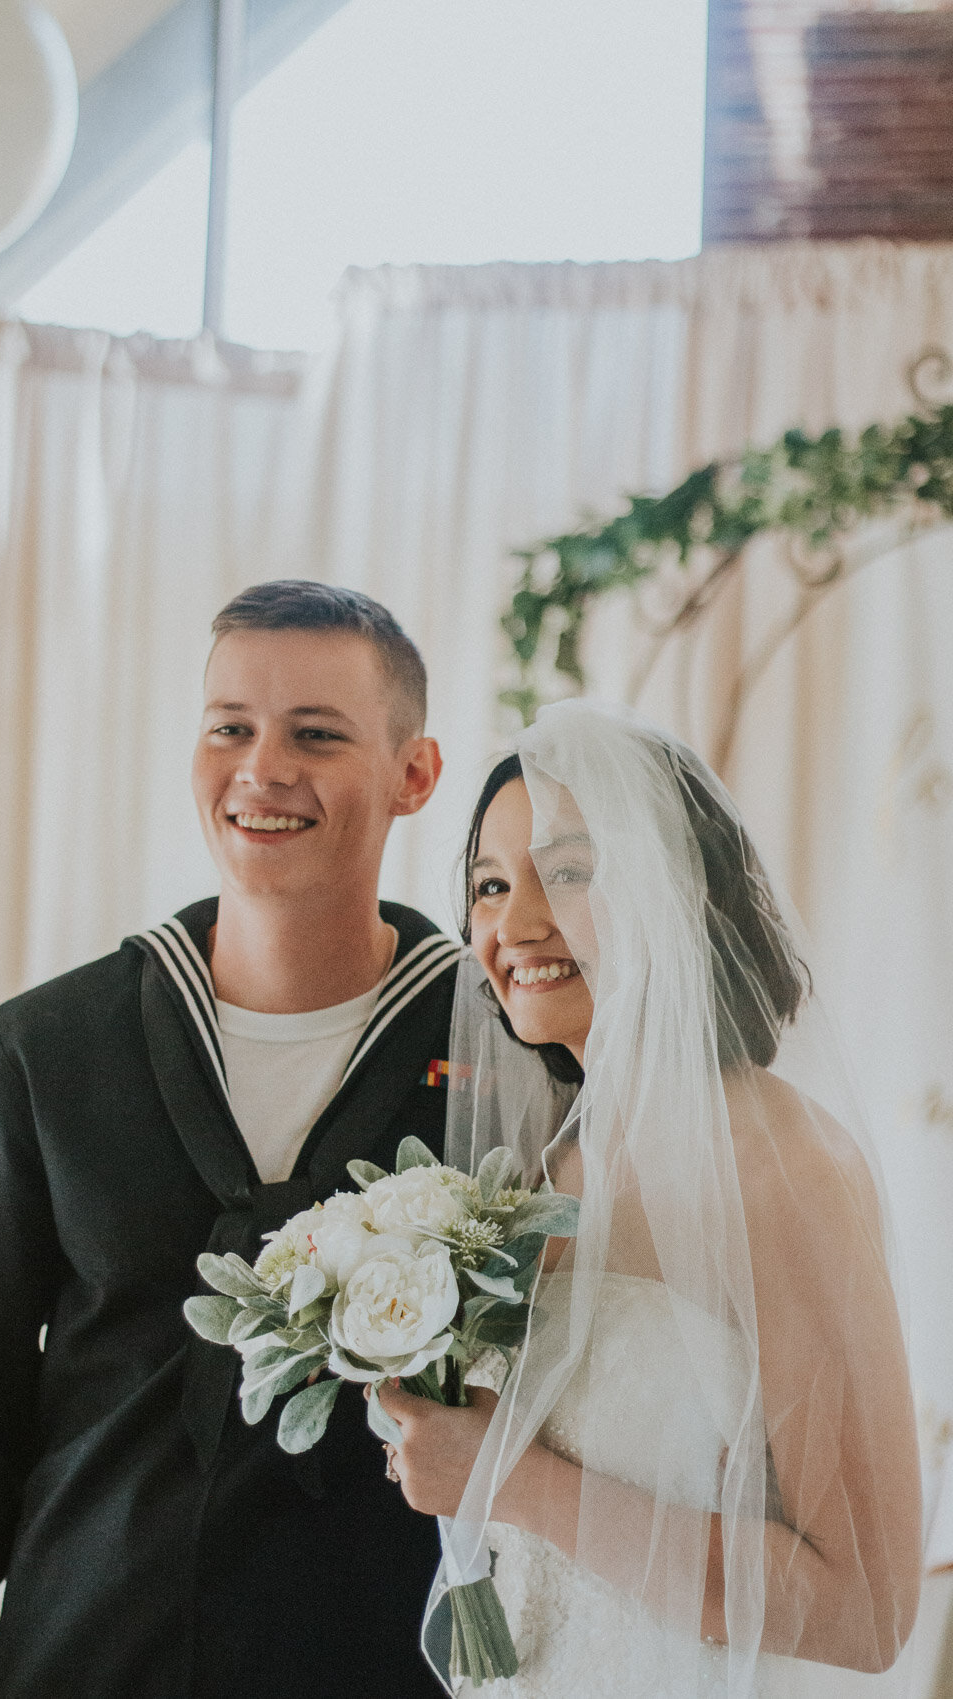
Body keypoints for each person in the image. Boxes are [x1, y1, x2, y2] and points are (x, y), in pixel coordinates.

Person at [0, 581, 461, 1699]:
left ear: (414, 774)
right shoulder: (44, 1050)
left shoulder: (500, 1060)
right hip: (85, 1663)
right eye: (230, 727)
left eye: (317, 734)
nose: (263, 767)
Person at [379, 699, 923, 1698]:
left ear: (678, 892)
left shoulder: (781, 1167)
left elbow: (866, 1610)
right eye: (490, 885)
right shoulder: (550, 1164)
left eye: (570, 872)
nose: (517, 923)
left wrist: (509, 1478)